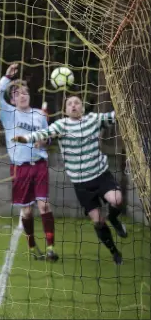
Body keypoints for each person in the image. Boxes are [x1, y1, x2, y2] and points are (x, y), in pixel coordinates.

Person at [12, 95, 128, 265]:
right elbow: (43, 133)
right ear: (65, 110)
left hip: (101, 175)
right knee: (97, 221)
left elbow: (113, 117)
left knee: (117, 200)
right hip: (81, 183)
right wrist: (26, 138)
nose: (73, 105)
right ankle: (114, 252)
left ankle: (114, 218)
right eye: (69, 104)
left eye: (77, 103)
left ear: (82, 107)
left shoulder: (92, 120)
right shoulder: (61, 126)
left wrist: (126, 105)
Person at [0, 63, 59, 262]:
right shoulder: (8, 113)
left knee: (44, 206)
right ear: (12, 99)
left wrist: (45, 141)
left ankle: (50, 247)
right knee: (27, 211)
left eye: (25, 92)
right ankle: (32, 246)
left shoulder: (40, 115)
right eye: (18, 93)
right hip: (19, 168)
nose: (23, 96)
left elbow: (48, 137)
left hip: (39, 164)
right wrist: (7, 77)